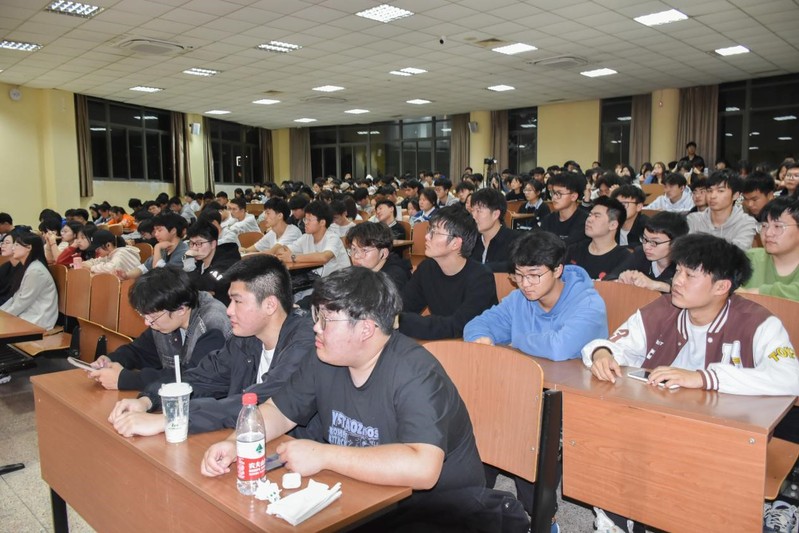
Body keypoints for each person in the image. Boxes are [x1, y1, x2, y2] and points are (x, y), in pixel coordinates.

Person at [200, 267, 489, 530]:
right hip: (364, 495)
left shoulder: (416, 373)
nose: (316, 327)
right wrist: (238, 443)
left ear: (365, 329)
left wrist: (324, 455)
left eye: (326, 320)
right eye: (316, 316)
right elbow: (279, 410)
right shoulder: (324, 357)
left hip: (441, 512)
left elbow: (423, 468)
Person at [107, 256, 315, 437]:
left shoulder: (306, 343)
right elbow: (201, 378)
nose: (229, 310)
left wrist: (171, 419)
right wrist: (148, 400)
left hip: (292, 449)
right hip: (247, 440)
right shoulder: (245, 338)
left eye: (237, 301)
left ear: (270, 304)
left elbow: (256, 403)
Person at [583, 233, 799, 396]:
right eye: (678, 271)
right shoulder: (662, 309)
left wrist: (703, 378)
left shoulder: (758, 323)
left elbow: (791, 378)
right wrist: (602, 354)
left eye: (690, 275)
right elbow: (614, 346)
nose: (677, 281)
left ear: (721, 287)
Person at [465, 230, 607, 359]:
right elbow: (477, 324)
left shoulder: (589, 304)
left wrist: (518, 340)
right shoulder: (518, 299)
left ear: (557, 270)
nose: (525, 284)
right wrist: (481, 339)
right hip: (528, 375)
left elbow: (559, 348)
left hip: (573, 379)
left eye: (534, 275)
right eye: (519, 275)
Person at [87, 267, 231, 390]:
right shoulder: (166, 314)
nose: (147, 323)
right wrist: (110, 360)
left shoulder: (213, 324)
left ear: (180, 309)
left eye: (152, 317)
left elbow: (195, 377)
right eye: (143, 315)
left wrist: (125, 379)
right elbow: (140, 351)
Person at [400, 206, 497, 340]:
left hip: (473, 346)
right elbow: (401, 307)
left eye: (435, 232)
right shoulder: (426, 269)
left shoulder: (481, 278)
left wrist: (402, 321)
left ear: (455, 244)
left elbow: (459, 326)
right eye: (429, 230)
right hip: (441, 342)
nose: (427, 236)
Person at [606, 211, 690, 292]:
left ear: (675, 243)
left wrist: (655, 285)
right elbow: (610, 277)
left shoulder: (686, 263)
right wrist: (620, 279)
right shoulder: (640, 253)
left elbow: (689, 290)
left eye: (654, 242)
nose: (646, 247)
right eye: (645, 239)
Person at [741, 197, 799, 301]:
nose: (768, 233)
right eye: (764, 225)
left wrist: (761, 293)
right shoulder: (749, 259)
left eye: (778, 226)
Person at [687, 169, 756, 251]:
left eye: (720, 191)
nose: (713, 196)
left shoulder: (746, 223)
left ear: (735, 195)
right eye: (709, 191)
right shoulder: (694, 220)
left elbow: (737, 254)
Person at [0, 232, 58, 330]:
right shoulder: (29, 267)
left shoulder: (36, 271)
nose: (13, 248)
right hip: (26, 316)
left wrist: (4, 317)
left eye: (16, 245)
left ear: (29, 247)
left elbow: (22, 302)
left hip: (36, 320)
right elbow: (16, 298)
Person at [565, 196, 631, 281]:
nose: (589, 219)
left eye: (597, 216)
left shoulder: (624, 258)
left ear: (613, 225)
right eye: (590, 215)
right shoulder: (574, 250)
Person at [184, 220, 240, 306]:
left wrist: (189, 267)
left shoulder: (227, 261)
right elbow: (184, 285)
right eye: (191, 243)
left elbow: (209, 284)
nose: (194, 249)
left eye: (199, 243)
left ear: (213, 244)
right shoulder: (198, 261)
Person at [345, 222, 411, 292]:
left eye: (364, 250)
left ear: (384, 253)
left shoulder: (392, 279)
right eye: (354, 249)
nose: (355, 256)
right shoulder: (363, 270)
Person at [120, 213, 188, 280]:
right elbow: (144, 267)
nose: (156, 234)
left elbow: (160, 276)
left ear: (173, 231)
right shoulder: (164, 249)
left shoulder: (184, 253)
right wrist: (126, 275)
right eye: (155, 231)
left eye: (159, 230)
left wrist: (157, 248)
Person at [469, 188, 521, 272]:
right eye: (472, 211)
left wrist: (480, 269)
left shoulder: (516, 241)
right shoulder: (470, 240)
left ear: (495, 214)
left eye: (478, 211)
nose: (474, 216)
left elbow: (516, 267)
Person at [540, 172, 590, 247]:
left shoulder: (586, 222)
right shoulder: (548, 220)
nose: (554, 197)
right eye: (553, 193)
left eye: (559, 194)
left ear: (573, 197)